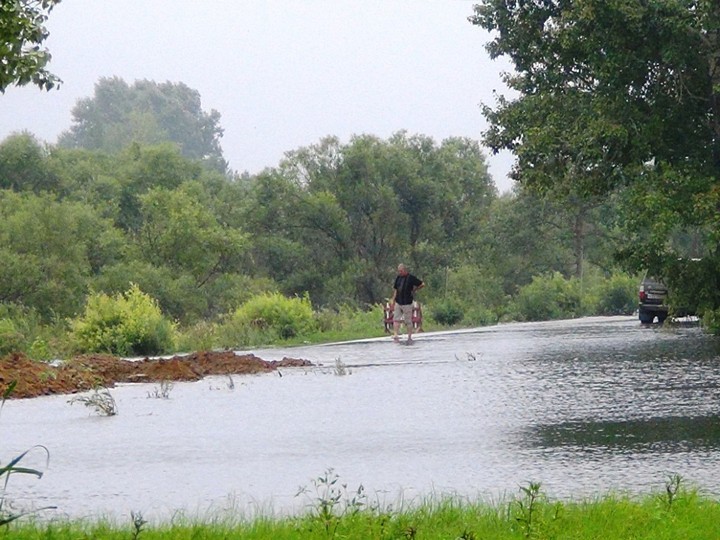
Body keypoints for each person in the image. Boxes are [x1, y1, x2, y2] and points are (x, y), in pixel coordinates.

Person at [391, 263, 424, 343]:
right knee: (396, 319)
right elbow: (396, 289)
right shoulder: (398, 278)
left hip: (407, 302)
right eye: (399, 271)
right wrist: (393, 299)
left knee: (408, 320)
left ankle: (409, 336)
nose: (400, 272)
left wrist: (415, 290)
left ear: (405, 270)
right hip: (399, 301)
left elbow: (422, 284)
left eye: (401, 271)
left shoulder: (411, 278)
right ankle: (395, 334)